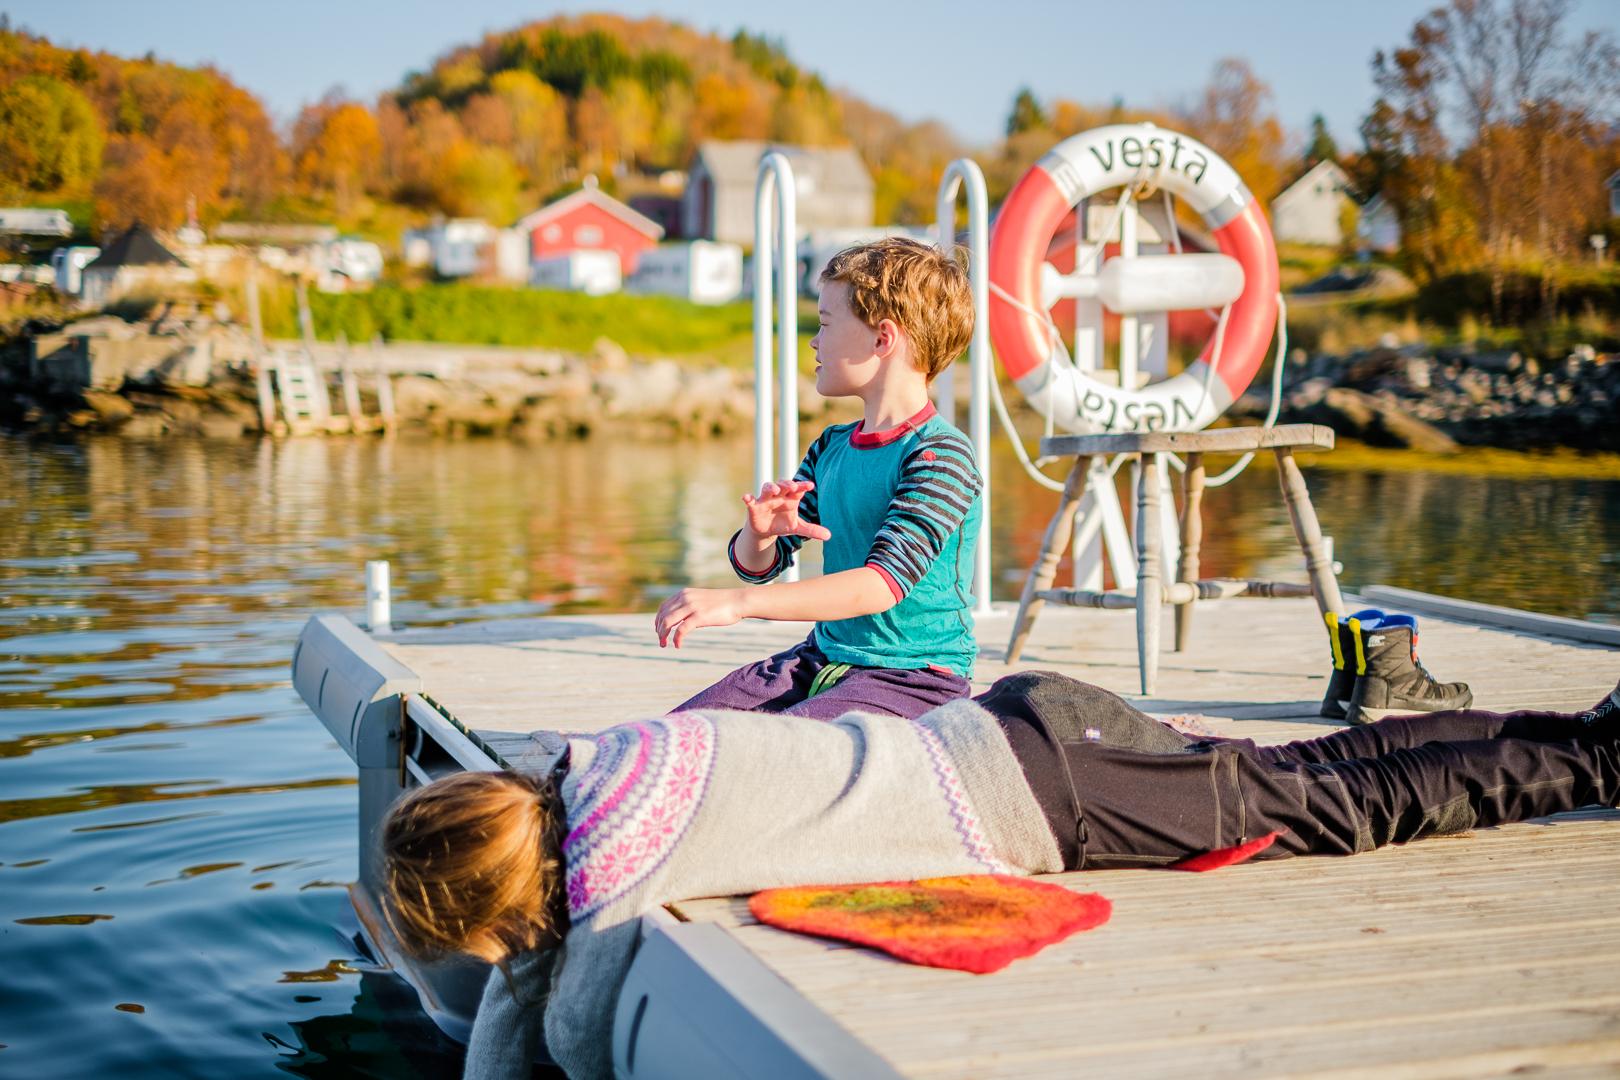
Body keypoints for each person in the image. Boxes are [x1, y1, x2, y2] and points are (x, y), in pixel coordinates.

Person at [379, 673, 1620, 1080]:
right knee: (1319, 768)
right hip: (1020, 719)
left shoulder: (619, 867)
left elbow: (573, 1027)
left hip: (1051, 797)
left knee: (1342, 807)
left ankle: (1602, 754)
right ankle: (1583, 729)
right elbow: (543, 949)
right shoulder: (601, 769)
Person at [652, 237, 983, 720]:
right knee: (683, 734)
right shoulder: (831, 446)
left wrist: (739, 605)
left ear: (882, 339)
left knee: (780, 753)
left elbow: (878, 585)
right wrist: (761, 534)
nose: (813, 340)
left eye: (826, 323)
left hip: (913, 679)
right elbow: (758, 565)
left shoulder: (940, 455)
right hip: (821, 660)